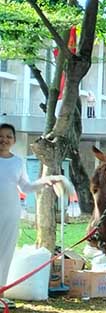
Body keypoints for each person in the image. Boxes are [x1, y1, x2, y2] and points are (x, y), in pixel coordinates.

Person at [0, 123, 65, 303]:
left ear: (13, 140)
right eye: (1, 135)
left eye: (8, 136)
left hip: (10, 214)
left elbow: (26, 187)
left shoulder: (17, 162)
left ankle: (1, 294)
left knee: (5, 254)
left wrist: (48, 180)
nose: (4, 140)